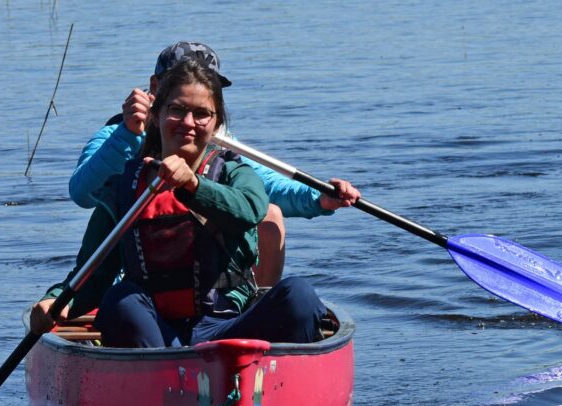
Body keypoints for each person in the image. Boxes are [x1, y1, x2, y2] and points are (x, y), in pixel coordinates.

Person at [31, 60, 327, 348]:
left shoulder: (235, 173)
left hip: (229, 328)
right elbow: (93, 274)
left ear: (217, 124)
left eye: (201, 114)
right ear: (156, 116)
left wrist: (194, 185)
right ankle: (165, 376)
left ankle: (272, 379)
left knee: (299, 295)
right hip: (155, 333)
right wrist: (56, 300)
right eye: (176, 110)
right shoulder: (124, 188)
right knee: (120, 300)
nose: (188, 123)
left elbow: (250, 209)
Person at [68, 41, 360, 286]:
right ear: (155, 88)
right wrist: (128, 136)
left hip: (201, 277)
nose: (192, 108)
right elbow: (83, 193)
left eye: (207, 89)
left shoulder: (220, 144)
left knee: (269, 215)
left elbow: (265, 186)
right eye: (181, 89)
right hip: (132, 279)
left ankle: (253, 320)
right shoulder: (116, 136)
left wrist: (319, 198)